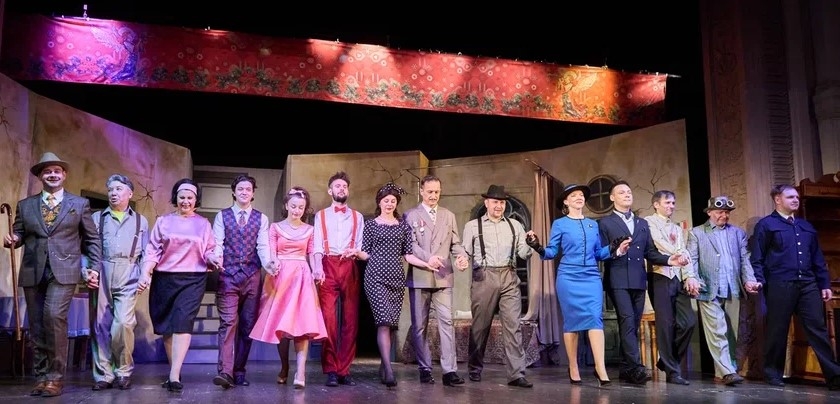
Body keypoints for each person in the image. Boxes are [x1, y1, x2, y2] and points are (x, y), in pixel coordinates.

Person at [3, 152, 102, 397]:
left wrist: (94, 267)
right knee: (37, 324)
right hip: (33, 270)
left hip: (64, 270)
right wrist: (13, 238)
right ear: (40, 176)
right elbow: (19, 232)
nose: (53, 175)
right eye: (47, 171)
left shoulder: (79, 204)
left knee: (54, 317)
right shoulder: (26, 205)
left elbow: (92, 239)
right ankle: (41, 377)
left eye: (57, 171)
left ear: (64, 175)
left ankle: (55, 377)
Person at [527, 184, 630, 386]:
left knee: (595, 319)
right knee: (572, 322)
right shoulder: (560, 224)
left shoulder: (592, 224)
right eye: (574, 195)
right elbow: (551, 252)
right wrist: (537, 247)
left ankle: (600, 368)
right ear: (566, 201)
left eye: (581, 195)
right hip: (569, 277)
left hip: (591, 277)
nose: (579, 197)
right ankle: (573, 366)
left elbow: (598, 254)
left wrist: (613, 248)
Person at [750, 184, 840, 390]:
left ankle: (834, 376)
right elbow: (757, 257)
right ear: (777, 200)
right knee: (777, 329)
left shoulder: (805, 226)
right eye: (790, 197)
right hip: (780, 284)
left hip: (808, 284)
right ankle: (773, 374)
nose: (796, 200)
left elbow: (817, 257)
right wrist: (759, 280)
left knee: (818, 329)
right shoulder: (767, 225)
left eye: (797, 197)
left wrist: (824, 283)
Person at [598, 180, 688, 385]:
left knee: (633, 324)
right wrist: (616, 251)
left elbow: (650, 252)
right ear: (612, 198)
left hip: (639, 280)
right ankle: (636, 368)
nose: (627, 195)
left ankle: (626, 368)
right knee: (627, 320)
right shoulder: (605, 223)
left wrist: (669, 260)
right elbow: (600, 252)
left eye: (629, 192)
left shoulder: (641, 223)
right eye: (621, 192)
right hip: (618, 279)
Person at [137, 178, 223, 392]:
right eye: (182, 197)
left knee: (183, 322)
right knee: (167, 326)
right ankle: (173, 370)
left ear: (196, 200)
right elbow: (152, 250)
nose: (185, 201)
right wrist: (145, 273)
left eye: (190, 198)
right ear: (176, 198)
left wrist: (213, 258)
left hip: (193, 278)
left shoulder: (203, 224)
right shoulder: (163, 222)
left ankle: (174, 375)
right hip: (165, 277)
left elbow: (209, 249)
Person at [355, 182, 436, 388]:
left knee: (391, 323)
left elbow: (408, 255)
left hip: (396, 279)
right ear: (379, 202)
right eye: (386, 201)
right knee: (383, 321)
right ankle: (389, 371)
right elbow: (365, 251)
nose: (389, 204)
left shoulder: (403, 226)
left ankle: (384, 366)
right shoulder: (371, 225)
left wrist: (426, 263)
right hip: (375, 277)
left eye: (393, 201)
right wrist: (357, 253)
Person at [249, 186, 328, 389]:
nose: (296, 210)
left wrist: (317, 269)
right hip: (281, 276)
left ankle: (300, 372)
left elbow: (313, 253)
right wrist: (273, 263)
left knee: (303, 325)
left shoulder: (310, 230)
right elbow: (271, 251)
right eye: (293, 206)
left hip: (302, 277)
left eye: (301, 207)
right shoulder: (275, 228)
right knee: (283, 326)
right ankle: (284, 366)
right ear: (286, 206)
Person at [461, 184, 535, 388]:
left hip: (509, 275)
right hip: (484, 276)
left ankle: (516, 374)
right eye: (495, 202)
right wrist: (461, 260)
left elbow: (523, 253)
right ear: (486, 203)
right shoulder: (473, 226)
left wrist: (531, 244)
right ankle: (474, 368)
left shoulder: (514, 225)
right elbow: (465, 251)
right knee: (480, 326)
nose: (499, 206)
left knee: (513, 326)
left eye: (502, 202)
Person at [403, 175, 470, 386]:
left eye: (437, 192)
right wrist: (428, 258)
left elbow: (455, 243)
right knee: (419, 325)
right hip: (420, 275)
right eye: (430, 191)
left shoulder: (448, 215)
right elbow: (410, 245)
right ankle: (424, 368)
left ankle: (450, 371)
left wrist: (462, 257)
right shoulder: (410, 215)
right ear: (421, 191)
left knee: (447, 323)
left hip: (443, 276)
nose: (433, 196)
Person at [686, 195, 759, 386]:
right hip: (708, 288)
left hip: (733, 287)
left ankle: (724, 371)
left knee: (732, 332)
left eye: (727, 212)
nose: (724, 216)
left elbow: (745, 259)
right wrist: (692, 278)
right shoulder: (697, 233)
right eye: (720, 212)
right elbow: (692, 259)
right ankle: (729, 371)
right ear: (710, 212)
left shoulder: (737, 233)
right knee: (717, 331)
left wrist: (750, 280)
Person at [90, 174, 150, 391]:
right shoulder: (97, 218)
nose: (113, 193)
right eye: (110, 190)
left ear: (129, 193)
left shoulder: (140, 221)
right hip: (103, 269)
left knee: (123, 323)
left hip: (129, 270)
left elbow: (147, 253)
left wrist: (145, 275)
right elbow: (88, 248)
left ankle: (123, 371)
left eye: (118, 189)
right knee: (100, 325)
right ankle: (104, 374)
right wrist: (87, 270)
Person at [210, 174, 271, 389]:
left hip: (252, 276)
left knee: (247, 326)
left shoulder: (261, 218)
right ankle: (225, 372)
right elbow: (218, 243)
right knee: (228, 323)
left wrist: (269, 264)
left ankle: (239, 371)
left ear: (253, 193)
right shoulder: (222, 216)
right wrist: (217, 258)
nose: (244, 192)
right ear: (234, 192)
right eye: (240, 189)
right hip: (228, 276)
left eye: (248, 189)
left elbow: (263, 246)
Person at [312, 171, 365, 387]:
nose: (341, 189)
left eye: (344, 186)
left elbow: (360, 245)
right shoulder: (321, 216)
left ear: (348, 191)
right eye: (337, 186)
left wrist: (355, 252)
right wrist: (317, 267)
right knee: (329, 320)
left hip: (349, 264)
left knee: (350, 320)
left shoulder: (358, 216)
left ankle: (344, 370)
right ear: (330, 191)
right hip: (328, 264)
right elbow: (316, 245)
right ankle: (331, 369)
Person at [644, 190, 701, 385]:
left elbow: (683, 250)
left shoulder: (676, 228)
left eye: (673, 203)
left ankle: (666, 361)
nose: (671, 206)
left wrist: (689, 276)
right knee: (666, 325)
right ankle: (672, 372)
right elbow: (658, 243)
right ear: (656, 204)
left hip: (677, 278)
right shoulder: (649, 222)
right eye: (667, 202)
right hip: (659, 275)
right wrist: (678, 255)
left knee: (688, 322)